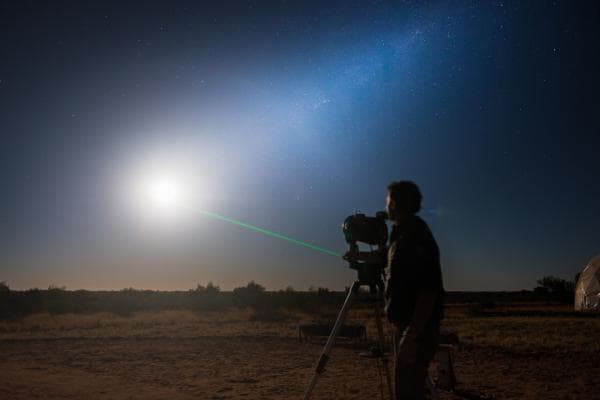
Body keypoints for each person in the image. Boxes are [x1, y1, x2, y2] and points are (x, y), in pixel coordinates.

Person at [344, 180, 444, 399]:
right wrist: (357, 256)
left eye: (388, 199)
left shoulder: (416, 234)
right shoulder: (401, 233)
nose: (385, 203)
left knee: (409, 390)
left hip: (417, 328)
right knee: (408, 386)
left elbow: (429, 290)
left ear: (395, 203)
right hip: (407, 326)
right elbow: (383, 257)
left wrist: (412, 335)